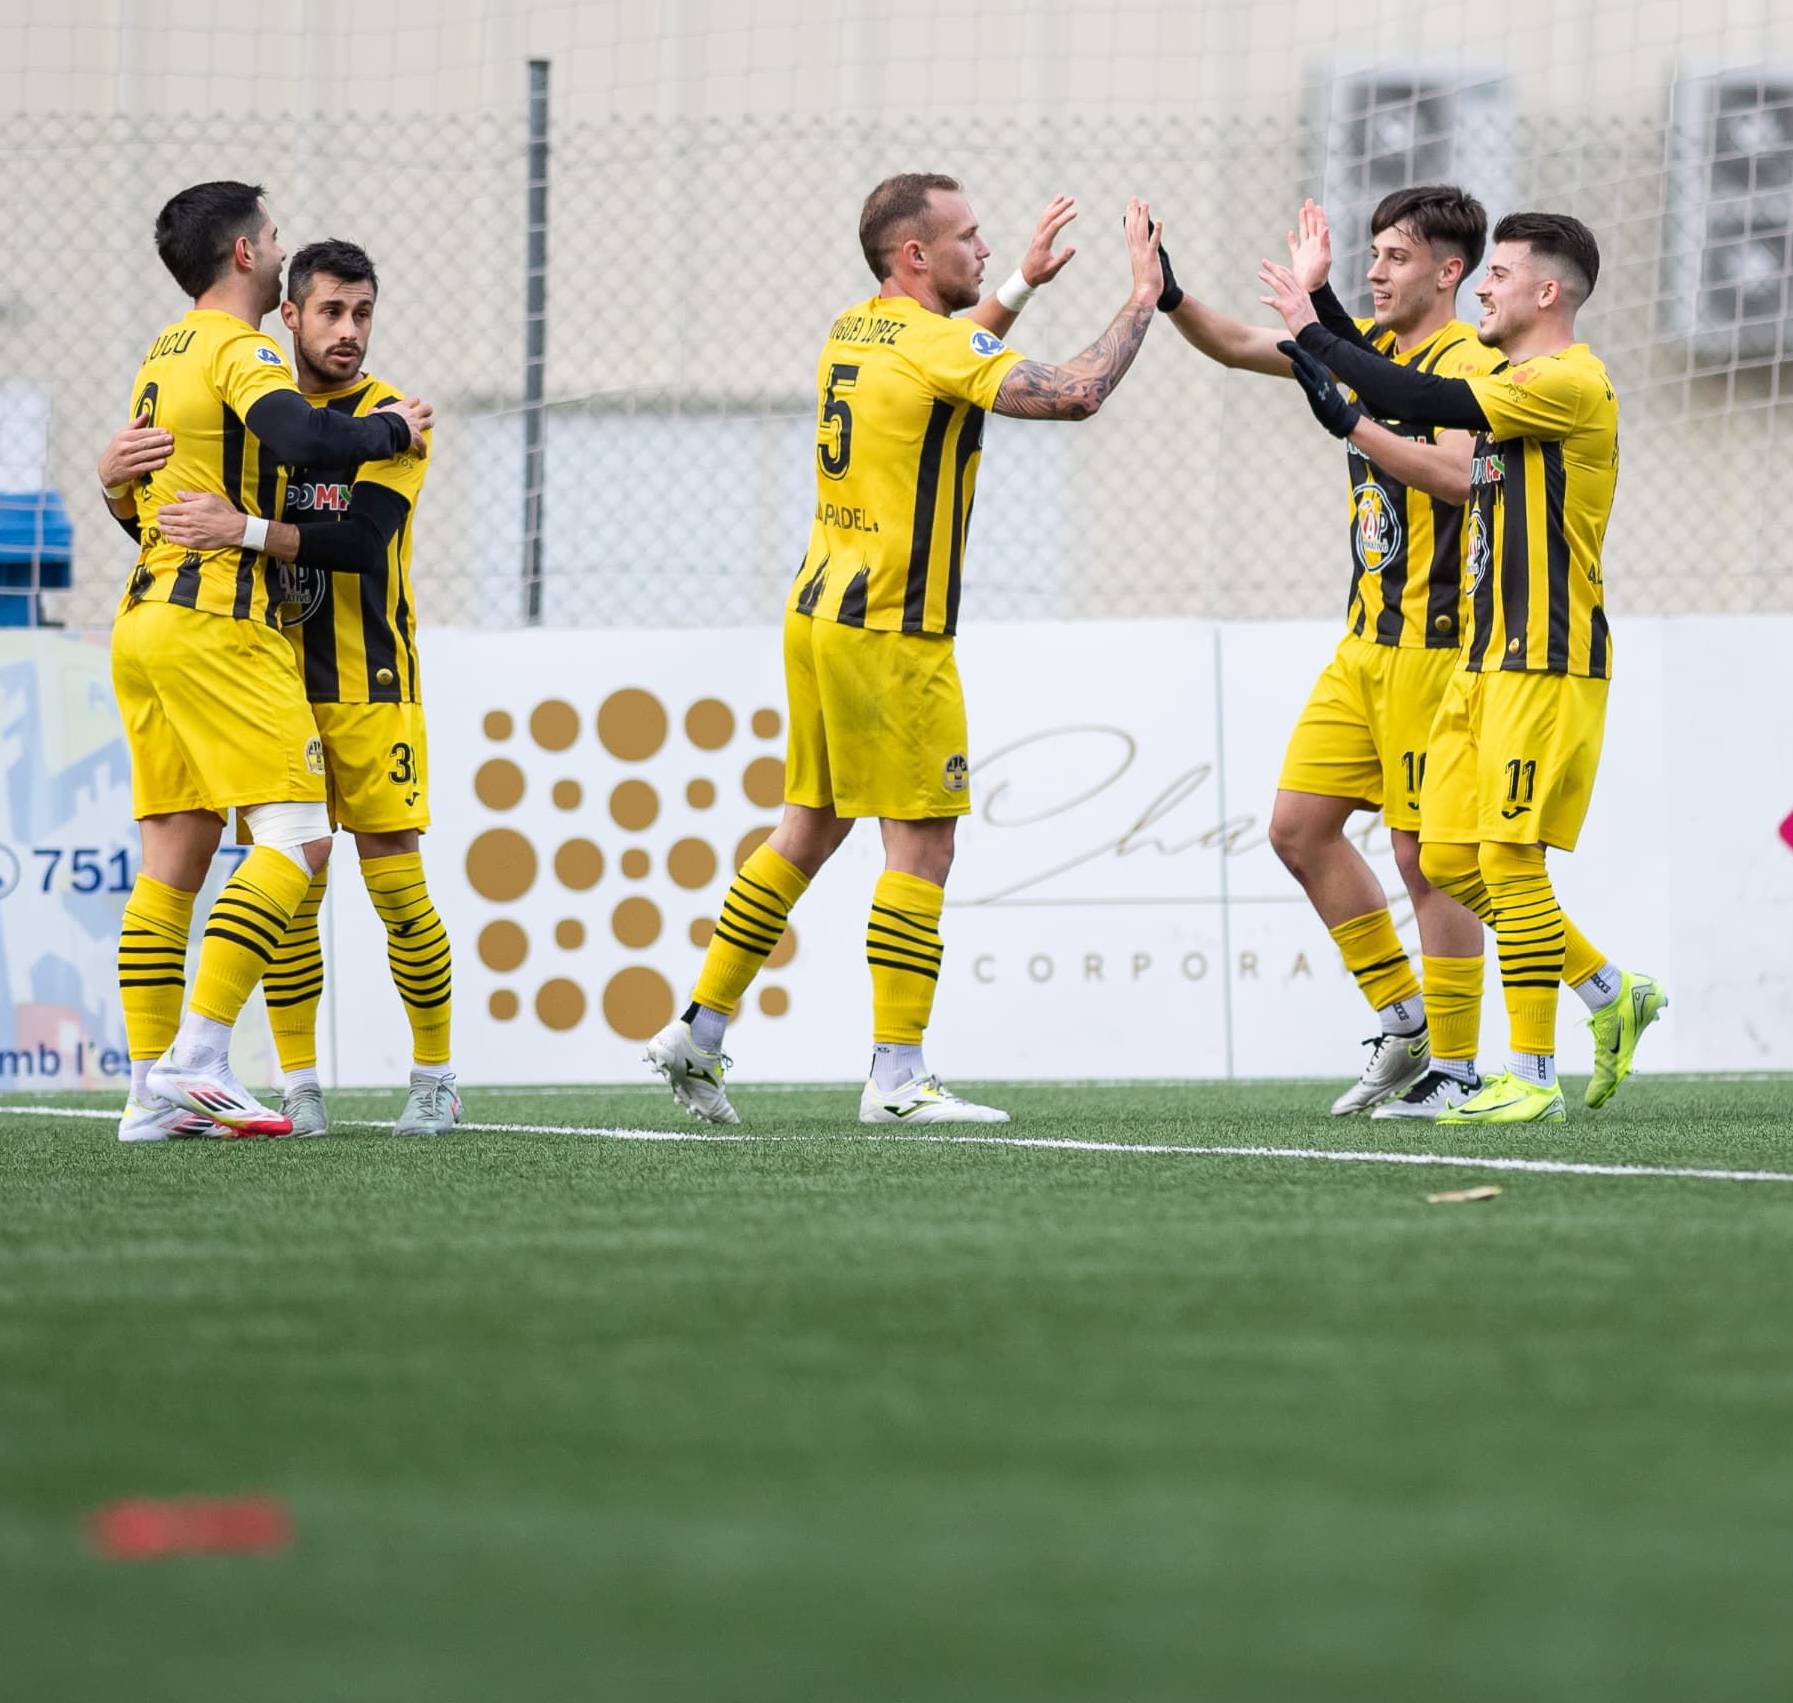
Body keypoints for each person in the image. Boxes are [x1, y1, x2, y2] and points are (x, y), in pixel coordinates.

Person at [646, 176, 1161, 1126]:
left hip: (818, 615)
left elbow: (954, 353)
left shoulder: (854, 327)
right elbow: (1077, 394)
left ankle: (699, 1031)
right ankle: (896, 1077)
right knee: (922, 845)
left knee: (808, 825)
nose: (982, 247)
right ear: (914, 256)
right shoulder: (935, 344)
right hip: (893, 628)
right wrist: (1140, 298)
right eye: (968, 237)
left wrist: (1018, 281)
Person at [1269, 212, 1663, 1126]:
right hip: (1480, 660)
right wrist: (1325, 312)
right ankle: (1609, 990)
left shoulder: (1569, 381)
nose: (1483, 286)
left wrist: (1319, 340)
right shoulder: (1512, 373)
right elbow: (1404, 380)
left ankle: (1528, 1072)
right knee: (1446, 854)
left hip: (1544, 657)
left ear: (1547, 292)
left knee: (1508, 859)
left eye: (1499, 274)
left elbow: (1423, 401)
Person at [102, 238, 461, 1140]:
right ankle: (296, 1082)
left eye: (365, 312)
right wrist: (113, 485)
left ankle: (434, 1075)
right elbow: (172, 511)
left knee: (398, 895)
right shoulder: (247, 400)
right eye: (332, 312)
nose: (350, 331)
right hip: (259, 665)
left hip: (368, 681)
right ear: (289, 314)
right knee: (292, 885)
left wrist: (246, 526)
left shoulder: (390, 416)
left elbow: (361, 542)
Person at [1160, 187, 1502, 1118]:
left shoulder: (1468, 361)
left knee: (1426, 857)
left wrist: (1353, 418)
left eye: (1395, 256)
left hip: (1439, 653)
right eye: (1374, 254)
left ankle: (1458, 1071)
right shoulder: (1370, 356)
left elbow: (1464, 478)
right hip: (1363, 649)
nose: (1376, 270)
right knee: (1299, 829)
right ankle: (1403, 1021)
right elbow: (1237, 342)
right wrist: (1167, 293)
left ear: (1448, 271)